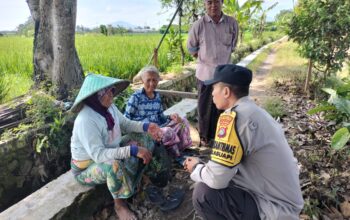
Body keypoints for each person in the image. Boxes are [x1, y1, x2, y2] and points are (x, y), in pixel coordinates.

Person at [184, 64, 304, 220]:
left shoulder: (234, 118)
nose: (212, 93)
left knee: (204, 194)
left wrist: (196, 168)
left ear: (226, 92)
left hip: (274, 207)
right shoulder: (255, 112)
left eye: (214, 88)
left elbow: (216, 180)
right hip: (284, 201)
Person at [70, 73, 169, 220]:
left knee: (145, 137)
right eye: (108, 91)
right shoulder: (86, 120)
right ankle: (120, 204)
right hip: (87, 167)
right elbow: (99, 155)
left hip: (110, 149)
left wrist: (147, 127)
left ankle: (137, 180)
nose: (112, 94)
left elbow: (126, 124)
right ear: (96, 96)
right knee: (113, 165)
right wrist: (132, 150)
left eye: (112, 90)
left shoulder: (109, 108)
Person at [187, 0, 239, 146]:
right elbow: (192, 49)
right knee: (205, 107)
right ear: (205, 4)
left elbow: (232, 46)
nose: (213, 5)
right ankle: (204, 137)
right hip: (205, 74)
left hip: (225, 75)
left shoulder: (232, 23)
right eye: (209, 2)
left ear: (222, 3)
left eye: (216, 1)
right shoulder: (199, 25)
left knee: (224, 107)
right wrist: (206, 59)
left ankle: (221, 137)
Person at [124, 65, 192, 157]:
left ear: (158, 80)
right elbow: (126, 120)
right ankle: (173, 155)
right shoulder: (136, 97)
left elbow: (161, 117)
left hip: (158, 127)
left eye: (154, 80)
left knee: (183, 121)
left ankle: (181, 150)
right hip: (144, 131)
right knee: (168, 131)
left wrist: (171, 117)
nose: (151, 83)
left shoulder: (157, 97)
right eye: (148, 80)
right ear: (142, 81)